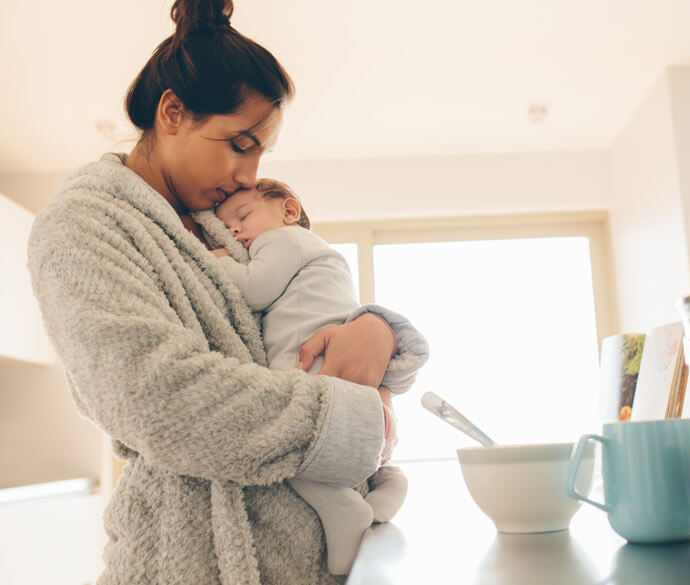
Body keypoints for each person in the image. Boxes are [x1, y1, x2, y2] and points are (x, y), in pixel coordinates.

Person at [25, 1, 429, 584]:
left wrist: (376, 328)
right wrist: (347, 419)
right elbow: (154, 397)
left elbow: (298, 305)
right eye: (240, 144)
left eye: (261, 152)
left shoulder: (218, 227)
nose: (249, 173)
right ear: (173, 112)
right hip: (194, 561)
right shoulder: (83, 225)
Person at [208, 179, 416, 574]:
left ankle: (341, 508)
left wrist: (217, 259)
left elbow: (254, 289)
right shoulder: (314, 256)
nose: (233, 231)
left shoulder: (285, 240)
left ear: (288, 212)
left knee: (293, 451)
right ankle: (390, 481)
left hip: (312, 366)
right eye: (224, 226)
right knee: (357, 448)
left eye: (243, 216)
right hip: (348, 386)